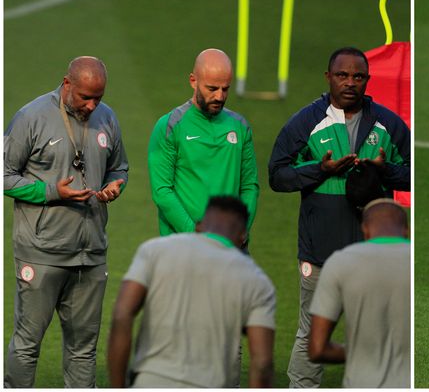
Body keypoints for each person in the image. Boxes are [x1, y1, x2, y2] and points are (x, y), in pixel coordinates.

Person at [269, 47, 411, 387]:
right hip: (320, 251)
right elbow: (277, 175)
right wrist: (320, 169)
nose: (350, 83)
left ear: (367, 80)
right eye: (343, 75)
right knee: (310, 331)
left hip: (375, 254)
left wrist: (385, 170)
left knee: (378, 329)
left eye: (358, 76)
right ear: (328, 77)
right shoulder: (305, 122)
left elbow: (410, 174)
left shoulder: (387, 123)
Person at [3, 56, 129, 387]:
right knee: (28, 346)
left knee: (83, 351)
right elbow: (4, 177)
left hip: (90, 253)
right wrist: (50, 191)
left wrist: (115, 185)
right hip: (41, 253)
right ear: (67, 83)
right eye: (85, 97)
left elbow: (119, 167)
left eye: (97, 98)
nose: (91, 106)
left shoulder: (108, 118)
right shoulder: (31, 118)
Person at [107, 196, 276, 388]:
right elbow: (262, 363)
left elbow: (122, 314)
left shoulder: (154, 251)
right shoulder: (257, 281)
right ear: (242, 236)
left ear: (199, 226)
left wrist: (118, 387)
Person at [148, 48, 259, 239]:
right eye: (212, 89)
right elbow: (162, 191)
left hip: (229, 245)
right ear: (193, 81)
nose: (219, 96)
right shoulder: (170, 126)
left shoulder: (240, 127)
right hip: (181, 246)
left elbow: (249, 186)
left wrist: (240, 230)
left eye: (225, 89)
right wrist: (195, 234)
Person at [308, 198, 410, 388]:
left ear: (365, 230)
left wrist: (358, 352)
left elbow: (317, 349)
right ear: (406, 230)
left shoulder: (340, 263)